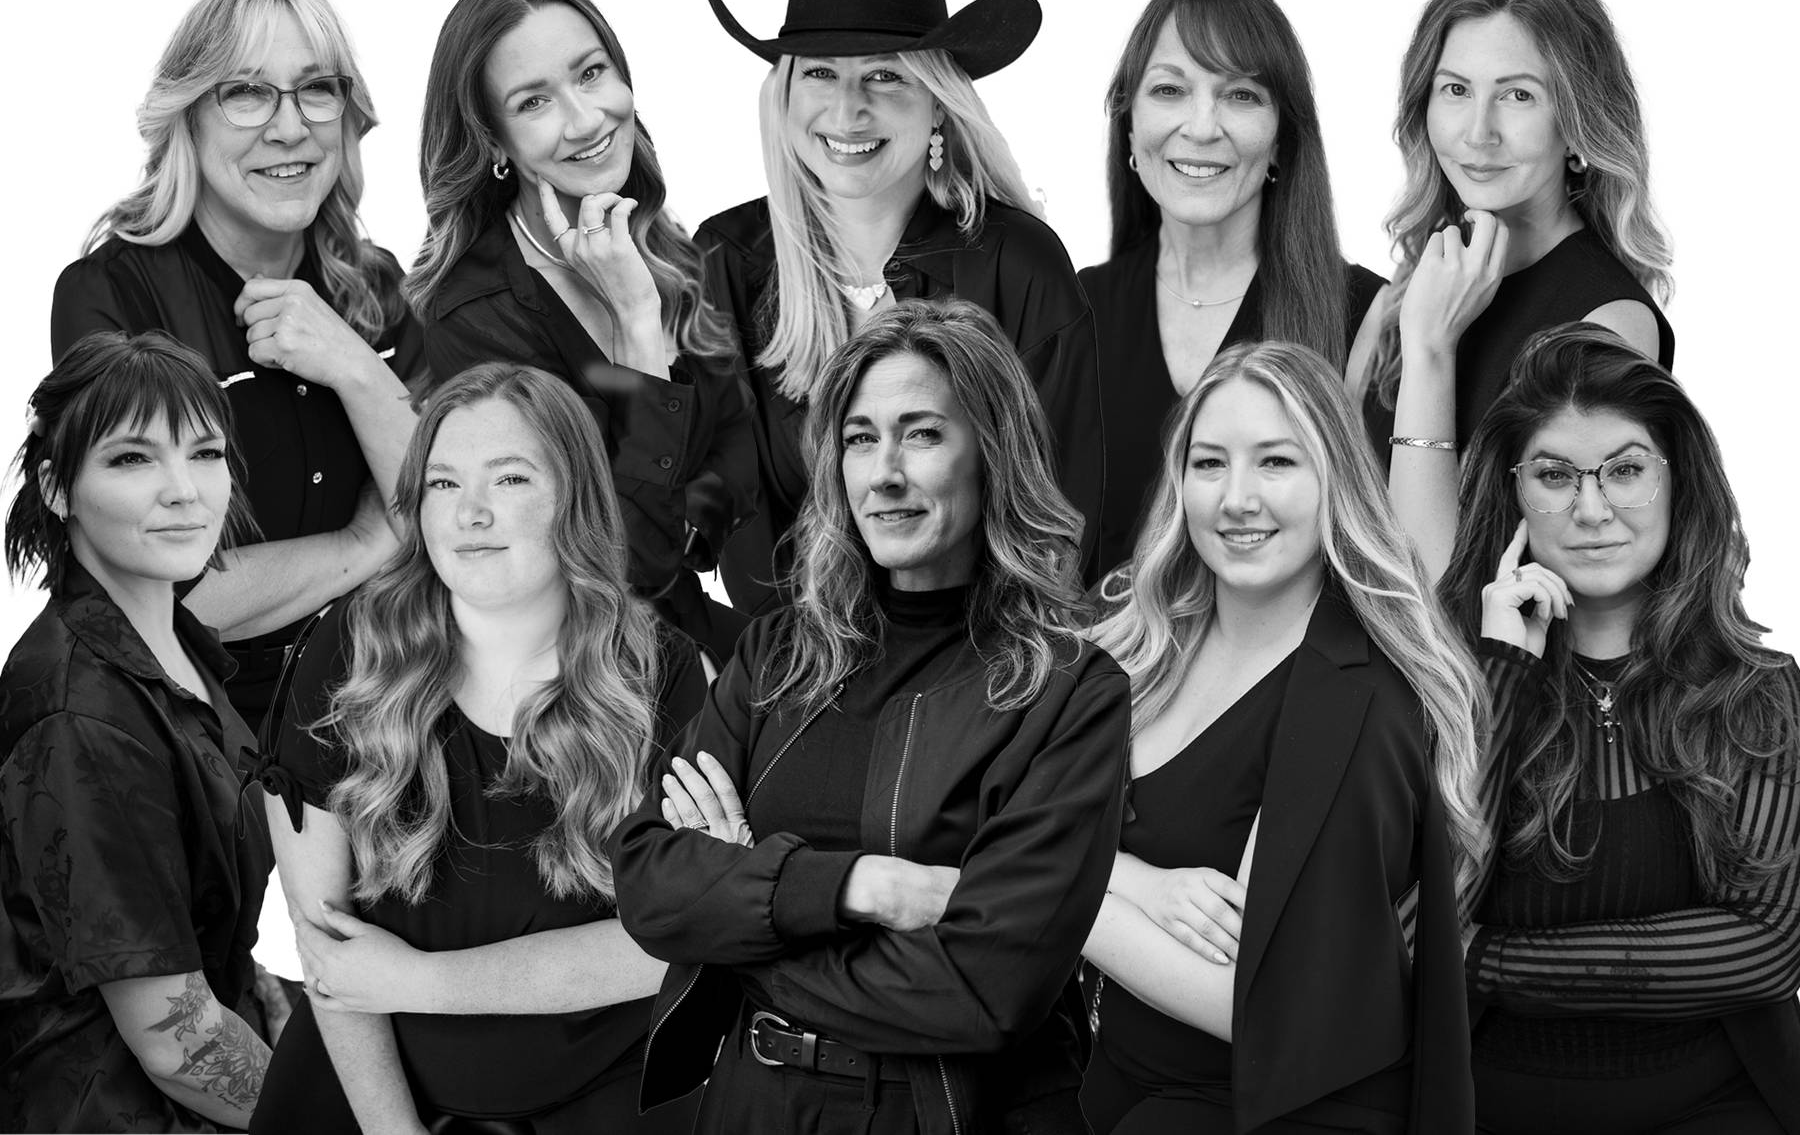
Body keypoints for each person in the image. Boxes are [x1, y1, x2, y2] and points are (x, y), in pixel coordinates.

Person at [611, 301, 1130, 1134]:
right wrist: (862, 887)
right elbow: (648, 879)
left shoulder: (1069, 690)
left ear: (992, 452)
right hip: (752, 1104)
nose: (883, 473)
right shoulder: (778, 653)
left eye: (921, 434)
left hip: (944, 1116)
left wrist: (744, 920)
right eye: (860, 438)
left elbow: (984, 989)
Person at [251, 364, 707, 1135]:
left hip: (605, 1092)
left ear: (575, 497)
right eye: (443, 483)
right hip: (369, 1085)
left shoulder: (664, 675)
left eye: (510, 477)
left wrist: (421, 981)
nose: (471, 512)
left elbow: (680, 938)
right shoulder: (346, 652)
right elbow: (325, 943)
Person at [1081, 340, 1485, 1134]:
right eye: (1209, 463)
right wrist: (1134, 880)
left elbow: (1254, 1003)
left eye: (1276, 461)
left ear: (1334, 477)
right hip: (1121, 1090)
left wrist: (1053, 892)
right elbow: (1008, 825)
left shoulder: (1356, 704)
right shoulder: (1141, 648)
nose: (1237, 498)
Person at [1438, 324, 1800, 1135]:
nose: (1593, 509)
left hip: (1717, 1110)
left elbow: (1763, 948)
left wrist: (1487, 956)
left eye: (1626, 470)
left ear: (1676, 481)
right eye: (1555, 475)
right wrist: (1501, 670)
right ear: (1512, 494)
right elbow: (1421, 913)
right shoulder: (1452, 679)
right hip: (1492, 1111)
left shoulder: (1760, 690)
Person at [698, 0, 1104, 614]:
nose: (847, 110)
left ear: (938, 104)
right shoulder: (727, 261)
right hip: (788, 663)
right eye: (820, 73)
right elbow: (726, 517)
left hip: (983, 658)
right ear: (784, 96)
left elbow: (1062, 524)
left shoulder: (1017, 264)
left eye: (884, 75)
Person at [51, 0, 424, 733]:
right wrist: (364, 542)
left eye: (316, 90)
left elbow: (455, 522)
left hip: (379, 729)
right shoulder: (114, 297)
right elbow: (159, 587)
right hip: (189, 738)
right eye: (247, 93)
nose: (289, 128)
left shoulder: (378, 288)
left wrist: (354, 366)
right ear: (187, 116)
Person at [409, 0, 754, 666]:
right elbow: (620, 564)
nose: (587, 119)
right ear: (495, 142)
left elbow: (736, 454)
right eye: (534, 101)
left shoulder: (664, 245)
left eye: (591, 73)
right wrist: (635, 320)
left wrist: (693, 524)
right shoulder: (473, 314)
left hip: (702, 638)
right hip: (585, 672)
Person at [1, 331, 275, 1132]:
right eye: (131, 458)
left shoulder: (179, 645)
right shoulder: (81, 713)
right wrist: (355, 1111)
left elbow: (187, 913)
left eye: (205, 452)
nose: (184, 491)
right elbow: (178, 1045)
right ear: (57, 488)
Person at [1354, 0, 1675, 579]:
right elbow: (1331, 497)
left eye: (1518, 95)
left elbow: (1437, 582)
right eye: (1456, 90)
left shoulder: (1609, 326)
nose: (1478, 133)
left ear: (1577, 125)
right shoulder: (1419, 279)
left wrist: (1432, 351)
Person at [1082, 0, 1383, 577]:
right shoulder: (1070, 309)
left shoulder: (1364, 316)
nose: (1201, 127)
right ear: (1129, 125)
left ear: (1281, 139)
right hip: (1094, 641)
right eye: (1170, 90)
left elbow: (1384, 562)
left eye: (1241, 95)